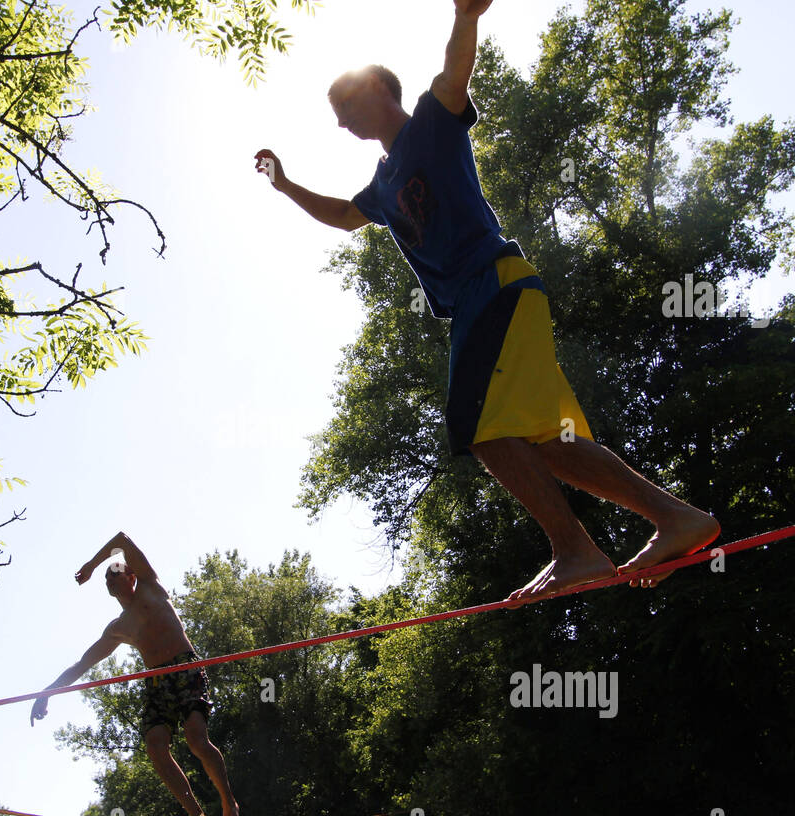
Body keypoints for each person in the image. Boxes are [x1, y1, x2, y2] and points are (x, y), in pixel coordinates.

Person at [254, 0, 719, 601]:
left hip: (492, 285)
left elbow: (453, 76)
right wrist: (286, 185)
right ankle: (676, 519)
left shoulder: (430, 123)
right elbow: (343, 216)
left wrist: (465, 16)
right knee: (553, 445)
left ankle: (575, 549)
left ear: (377, 88)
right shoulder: (381, 185)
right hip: (490, 302)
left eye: (345, 105)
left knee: (477, 425)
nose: (342, 122)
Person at [30, 532, 240, 816]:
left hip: (184, 668)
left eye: (113, 573)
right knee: (155, 746)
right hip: (157, 681)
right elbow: (81, 664)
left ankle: (228, 804)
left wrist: (90, 563)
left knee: (196, 739)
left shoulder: (151, 587)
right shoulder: (118, 628)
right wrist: (46, 692)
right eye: (105, 578)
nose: (107, 579)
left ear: (131, 575)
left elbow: (122, 540)